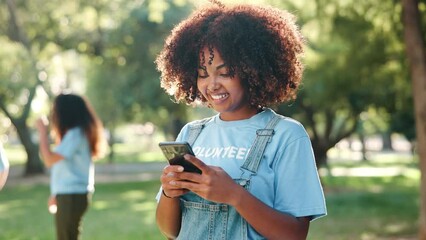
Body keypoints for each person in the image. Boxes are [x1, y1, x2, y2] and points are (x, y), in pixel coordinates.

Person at [155, 2, 327, 240]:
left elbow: (294, 235)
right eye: (203, 74)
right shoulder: (191, 134)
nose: (212, 84)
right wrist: (169, 193)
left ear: (253, 70)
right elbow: (170, 232)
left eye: (224, 73)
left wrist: (234, 195)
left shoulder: (286, 136)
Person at [36, 93, 106, 240]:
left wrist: (42, 132)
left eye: (55, 111)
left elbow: (49, 160)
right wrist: (57, 193)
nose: (53, 115)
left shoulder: (75, 135)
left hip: (71, 196)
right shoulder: (76, 135)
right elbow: (66, 169)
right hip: (71, 195)